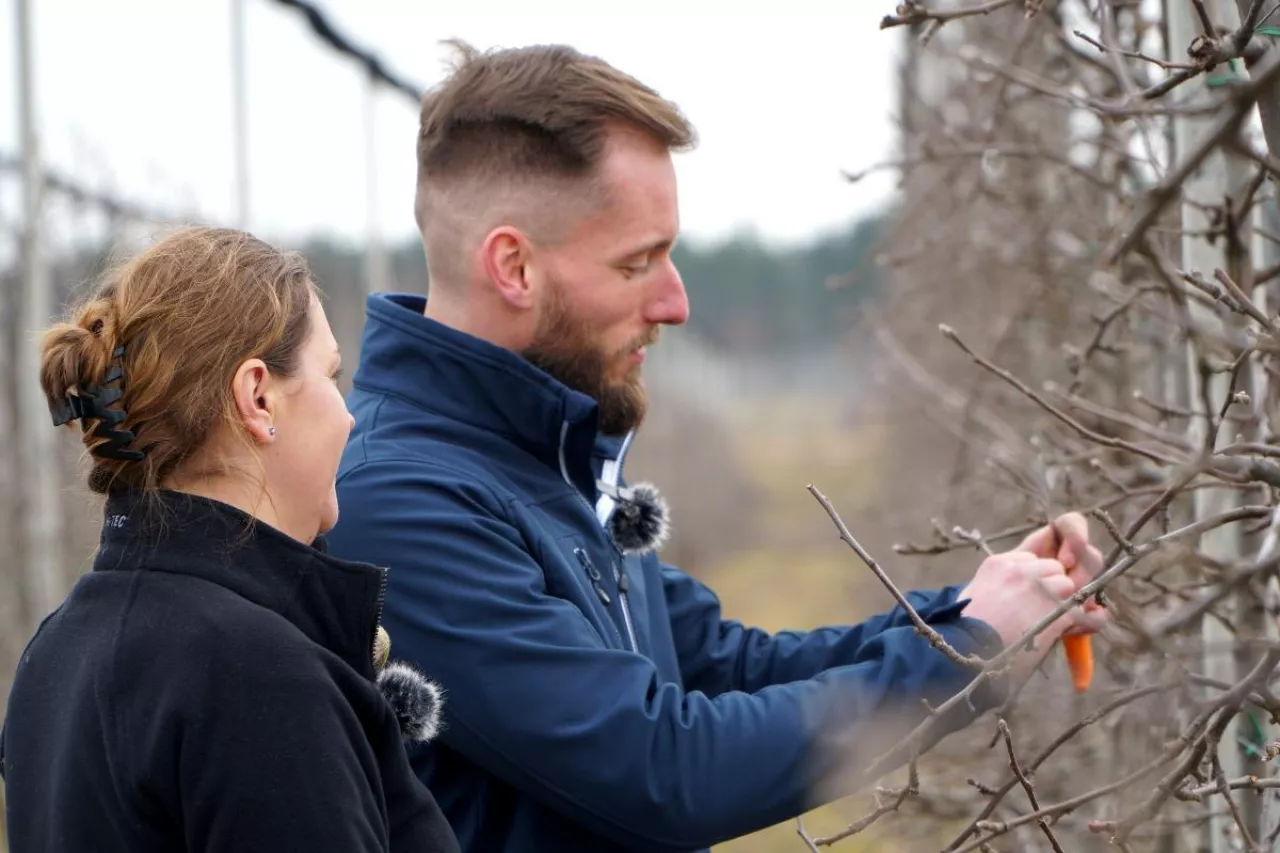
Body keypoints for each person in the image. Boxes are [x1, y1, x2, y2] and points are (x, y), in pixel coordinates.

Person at [324, 42, 1107, 853]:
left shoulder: (544, 460)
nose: (676, 302)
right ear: (514, 266)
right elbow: (660, 767)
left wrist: (977, 610)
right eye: (638, 263)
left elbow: (731, 668)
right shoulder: (400, 500)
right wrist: (968, 654)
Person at [0, 226, 461, 853]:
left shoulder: (56, 650)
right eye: (332, 375)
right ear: (258, 397)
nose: (349, 413)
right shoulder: (259, 678)